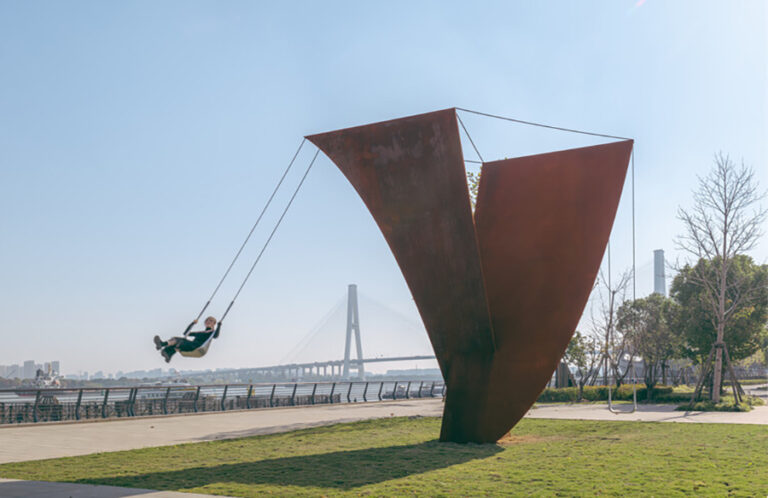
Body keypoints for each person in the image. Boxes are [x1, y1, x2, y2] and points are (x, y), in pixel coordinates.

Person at [154, 316, 221, 362]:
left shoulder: (212, 332)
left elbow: (216, 336)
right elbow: (186, 333)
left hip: (196, 347)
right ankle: (168, 355)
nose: (208, 321)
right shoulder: (201, 332)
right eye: (207, 320)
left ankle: (162, 344)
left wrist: (219, 326)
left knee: (178, 340)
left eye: (211, 321)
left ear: (214, 323)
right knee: (176, 342)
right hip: (190, 346)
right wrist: (192, 323)